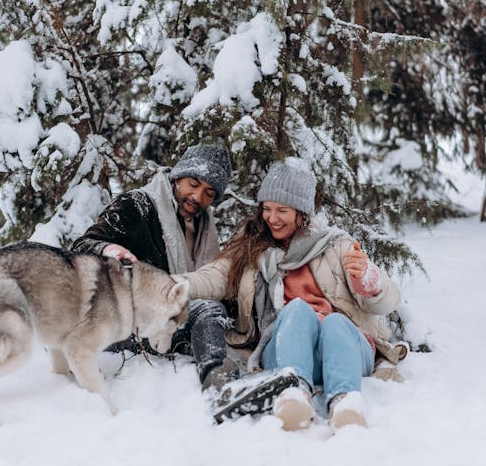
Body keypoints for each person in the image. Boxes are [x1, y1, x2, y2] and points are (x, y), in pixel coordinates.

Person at [178, 158, 407, 431]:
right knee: (297, 310)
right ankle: (294, 394)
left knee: (335, 322)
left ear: (302, 213)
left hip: (345, 350)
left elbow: (389, 299)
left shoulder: (336, 245)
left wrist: (368, 280)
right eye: (267, 209)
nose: (272, 219)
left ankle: (346, 401)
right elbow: (212, 277)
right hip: (287, 348)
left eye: (282, 210)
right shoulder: (252, 251)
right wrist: (164, 285)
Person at [73, 142, 285, 412]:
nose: (198, 197)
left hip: (169, 325)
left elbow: (209, 279)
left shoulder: (205, 228)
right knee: (207, 308)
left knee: (218, 310)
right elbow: (82, 247)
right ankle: (218, 387)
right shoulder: (136, 206)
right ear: (177, 177)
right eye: (193, 184)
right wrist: (110, 251)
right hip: (125, 323)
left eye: (209, 193)